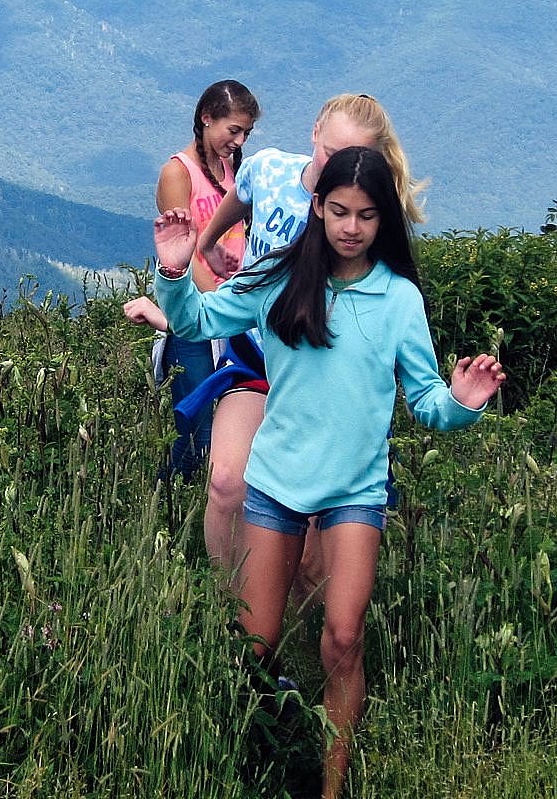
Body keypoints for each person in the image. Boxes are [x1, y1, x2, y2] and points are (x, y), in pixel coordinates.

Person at [151, 145, 504, 799]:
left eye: (367, 215)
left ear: (385, 220)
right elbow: (197, 323)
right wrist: (172, 272)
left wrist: (463, 401)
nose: (351, 227)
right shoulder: (281, 277)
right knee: (258, 645)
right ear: (316, 208)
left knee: (343, 639)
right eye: (339, 211)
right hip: (277, 483)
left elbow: (428, 402)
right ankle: (248, 774)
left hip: (355, 491)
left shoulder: (400, 299)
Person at [181, 93, 427, 577]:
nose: (337, 165)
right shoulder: (271, 169)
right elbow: (243, 193)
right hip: (255, 357)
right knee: (227, 483)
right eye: (330, 151)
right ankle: (230, 611)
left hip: (319, 368)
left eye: (354, 157)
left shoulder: (364, 211)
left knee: (312, 517)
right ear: (313, 132)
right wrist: (206, 244)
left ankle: (290, 622)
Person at [122, 80, 256, 482]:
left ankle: (181, 498)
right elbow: (185, 247)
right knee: (197, 426)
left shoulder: (233, 169)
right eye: (233, 130)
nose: (238, 139)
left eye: (246, 132)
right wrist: (215, 300)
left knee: (235, 420)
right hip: (198, 310)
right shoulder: (177, 172)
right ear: (206, 118)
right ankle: (170, 500)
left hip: (234, 306)